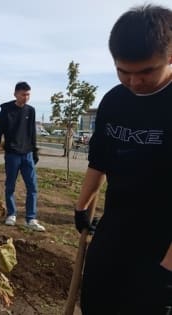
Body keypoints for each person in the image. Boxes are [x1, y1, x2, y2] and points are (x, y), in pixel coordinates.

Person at [74, 4, 172, 314]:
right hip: (114, 229)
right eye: (123, 71)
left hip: (162, 242)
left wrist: (167, 269)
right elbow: (99, 161)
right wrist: (82, 204)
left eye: (146, 71)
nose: (134, 82)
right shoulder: (114, 101)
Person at [0, 81, 45, 232]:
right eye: (23, 94)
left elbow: (32, 133)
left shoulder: (31, 111)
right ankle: (11, 214)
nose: (26, 97)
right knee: (10, 186)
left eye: (28, 95)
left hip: (27, 155)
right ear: (15, 94)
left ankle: (31, 218)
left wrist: (35, 151)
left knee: (32, 187)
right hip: (12, 154)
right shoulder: (6, 110)